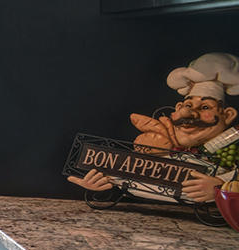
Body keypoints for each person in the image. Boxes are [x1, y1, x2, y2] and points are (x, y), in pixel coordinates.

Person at [69, 52, 239, 202]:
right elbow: (141, 172)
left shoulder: (230, 152)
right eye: (187, 106)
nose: (189, 116)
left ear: (228, 115)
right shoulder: (161, 147)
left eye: (205, 108)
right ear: (178, 108)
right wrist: (103, 179)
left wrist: (221, 187)